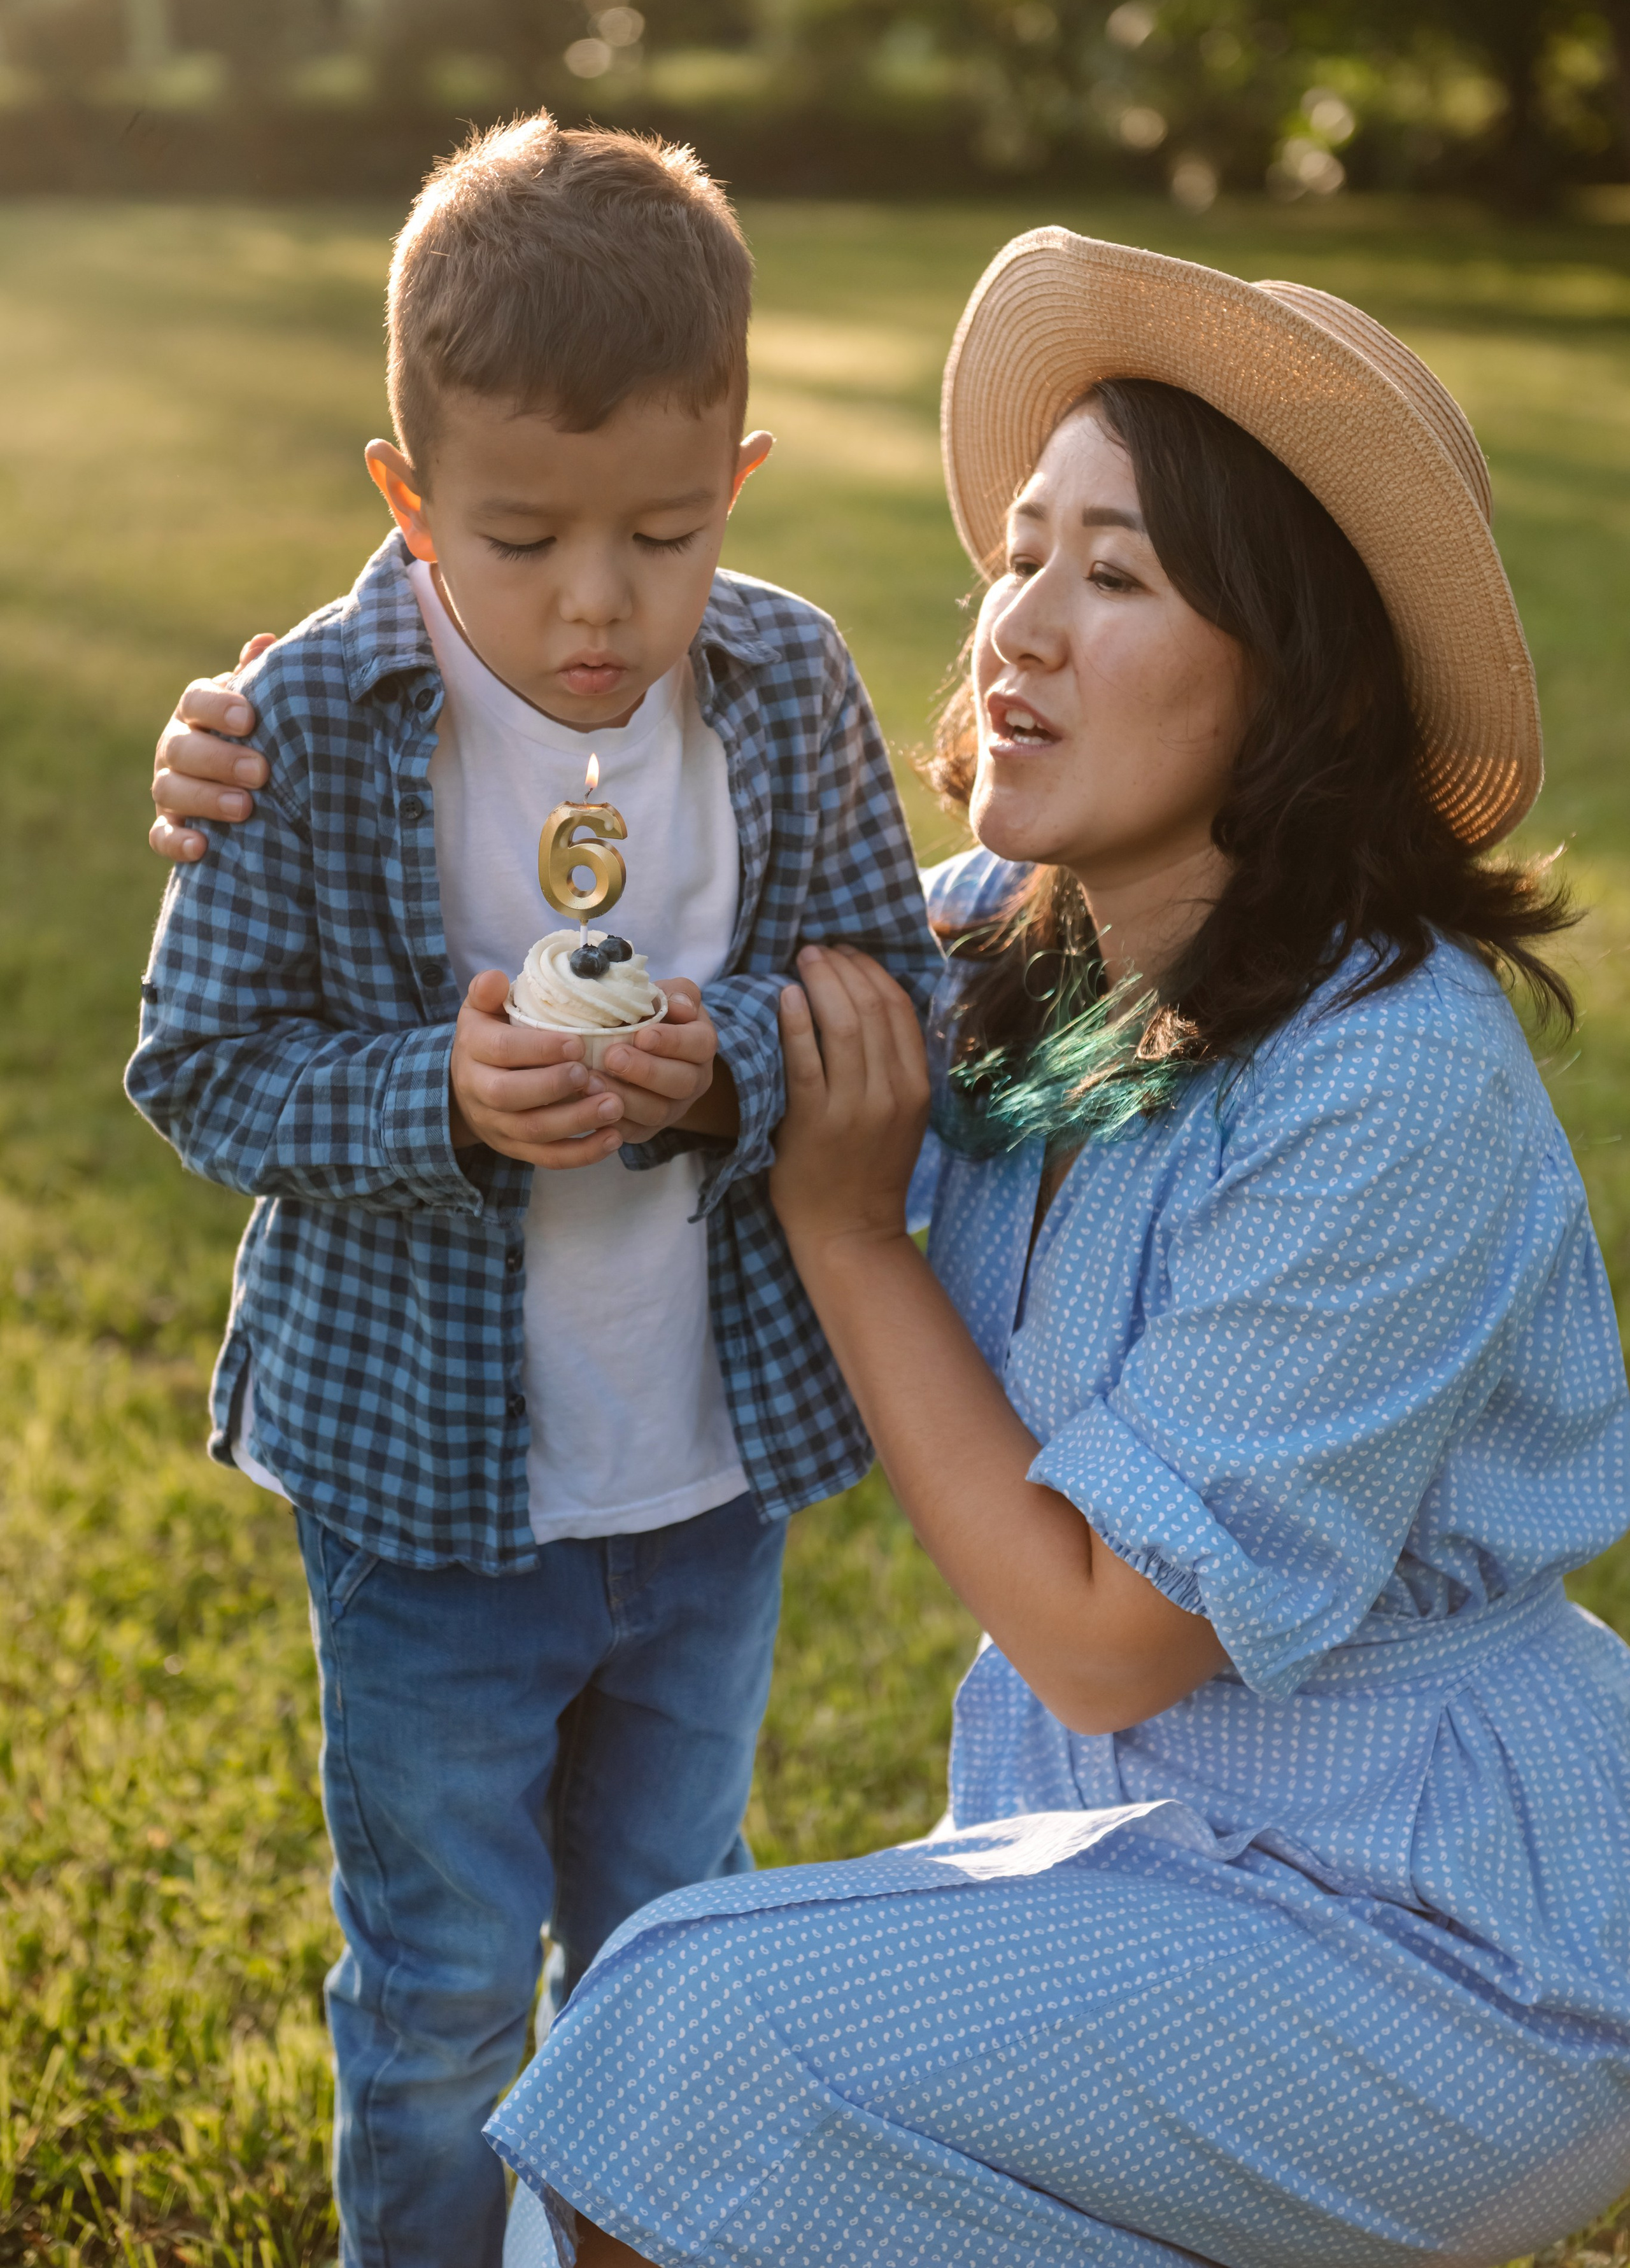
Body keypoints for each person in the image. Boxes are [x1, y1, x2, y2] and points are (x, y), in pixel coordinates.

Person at [475, 232, 1630, 2268]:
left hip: (1443, 1940)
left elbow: (1105, 1632)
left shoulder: (1394, 1078)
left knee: (682, 2034)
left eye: (1115, 575)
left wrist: (854, 1231)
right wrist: (290, 741)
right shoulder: (1019, 939)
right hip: (1135, 1852)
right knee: (685, 2082)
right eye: (1020, 555)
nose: (1016, 622)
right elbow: (643, 918)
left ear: (1296, 680)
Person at [126, 113, 937, 2268]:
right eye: (521, 536)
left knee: (668, 1967)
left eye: (666, 532)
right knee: (442, 1994)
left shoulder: (787, 682)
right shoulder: (303, 718)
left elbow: (896, 981)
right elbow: (200, 1065)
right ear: (408, 501)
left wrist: (730, 1058)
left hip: (700, 1490)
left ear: (737, 477)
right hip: (426, 1511)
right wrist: (443, 1096)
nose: (600, 601)